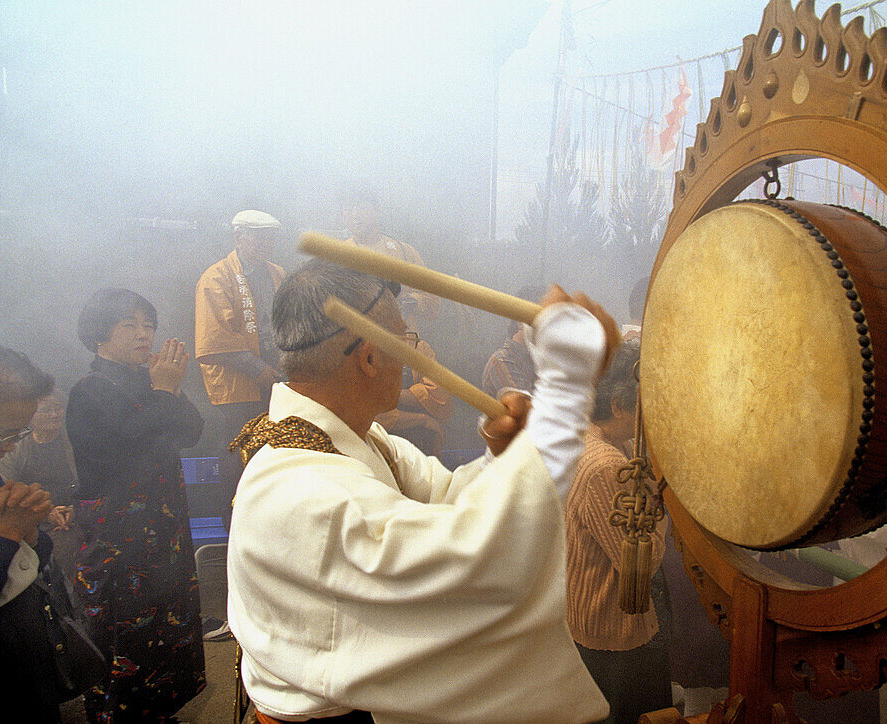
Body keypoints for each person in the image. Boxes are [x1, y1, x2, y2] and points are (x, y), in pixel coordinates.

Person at [227, 260, 620, 723]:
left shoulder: (355, 439)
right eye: (406, 340)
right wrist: (567, 383)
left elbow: (448, 501)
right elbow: (475, 555)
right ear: (371, 358)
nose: (413, 353)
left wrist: (505, 458)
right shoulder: (299, 489)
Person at [66, 288, 206, 722]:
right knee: (126, 628)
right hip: (120, 541)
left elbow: (192, 432)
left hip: (164, 533)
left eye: (148, 325)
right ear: (99, 335)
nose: (144, 335)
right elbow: (127, 443)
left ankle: (161, 710)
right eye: (129, 325)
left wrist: (169, 391)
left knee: (169, 621)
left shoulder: (152, 382)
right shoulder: (90, 389)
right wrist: (165, 393)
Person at [564, 340, 672, 723]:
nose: (650, 413)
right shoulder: (604, 466)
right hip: (613, 633)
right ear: (617, 406)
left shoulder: (593, 437)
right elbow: (640, 563)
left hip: (591, 620)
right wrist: (661, 508)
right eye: (643, 403)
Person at [0, 345, 58, 721]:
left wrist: (31, 531)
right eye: (5, 433)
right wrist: (6, 537)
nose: (9, 447)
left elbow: (36, 558)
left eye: (19, 434)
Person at [195, 209, 286, 538]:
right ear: (238, 237)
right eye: (258, 236)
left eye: (270, 237)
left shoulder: (278, 274)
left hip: (278, 383)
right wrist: (260, 369)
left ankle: (275, 534)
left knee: (278, 456)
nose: (266, 243)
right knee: (238, 458)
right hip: (239, 388)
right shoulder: (217, 276)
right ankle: (236, 537)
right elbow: (217, 337)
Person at [0, 388, 81, 576]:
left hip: (76, 517)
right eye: (46, 410)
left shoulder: (76, 441)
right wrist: (44, 512)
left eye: (58, 408)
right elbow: (4, 491)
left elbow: (92, 481)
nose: (54, 414)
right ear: (31, 414)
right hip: (33, 521)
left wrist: (78, 508)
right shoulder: (15, 448)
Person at [342, 187, 439, 325]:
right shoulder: (336, 259)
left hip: (402, 340)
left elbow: (432, 301)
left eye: (362, 207)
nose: (355, 215)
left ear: (377, 210)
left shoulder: (404, 252)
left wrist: (412, 301)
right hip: (358, 342)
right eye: (348, 209)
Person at [374, 335, 453, 456]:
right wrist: (423, 419)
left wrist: (393, 394)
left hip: (422, 447)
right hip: (380, 447)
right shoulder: (363, 349)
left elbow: (440, 395)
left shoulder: (417, 346)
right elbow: (377, 416)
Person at [480, 285, 545, 399]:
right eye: (542, 321)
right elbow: (529, 411)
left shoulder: (539, 359)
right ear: (520, 321)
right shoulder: (502, 361)